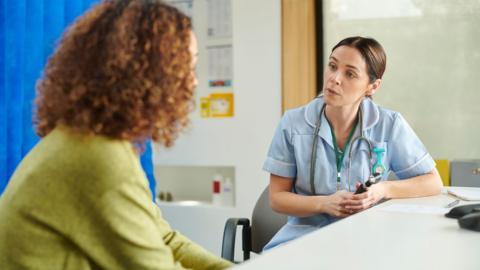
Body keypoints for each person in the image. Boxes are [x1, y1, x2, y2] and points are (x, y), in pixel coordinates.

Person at [0, 1, 232, 269]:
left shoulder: (89, 140)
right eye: (187, 67)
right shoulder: (98, 158)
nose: (194, 81)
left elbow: (163, 237)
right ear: (150, 73)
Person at [262, 36, 443, 250]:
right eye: (332, 66)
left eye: (350, 74)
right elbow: (277, 198)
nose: (334, 78)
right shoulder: (293, 123)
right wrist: (324, 203)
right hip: (302, 239)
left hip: (365, 239)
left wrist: (382, 190)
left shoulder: (389, 125)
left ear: (372, 86)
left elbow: (432, 182)